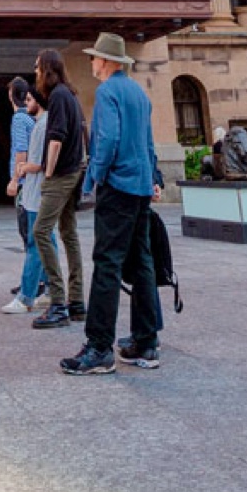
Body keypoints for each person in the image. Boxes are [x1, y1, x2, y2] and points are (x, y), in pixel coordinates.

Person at [60, 32, 162, 376]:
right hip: (140, 187)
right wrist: (154, 179)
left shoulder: (107, 92)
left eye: (94, 57)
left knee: (107, 264)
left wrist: (93, 179)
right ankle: (146, 342)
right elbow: (148, 142)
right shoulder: (138, 92)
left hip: (117, 187)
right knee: (142, 262)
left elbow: (108, 139)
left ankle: (99, 348)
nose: (91, 62)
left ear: (106, 62)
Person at [30, 47, 87, 330]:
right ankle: (76, 301)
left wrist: (48, 172)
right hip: (74, 171)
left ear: (48, 69)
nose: (36, 72)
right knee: (68, 232)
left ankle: (58, 302)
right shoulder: (70, 95)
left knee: (41, 231)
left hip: (62, 173)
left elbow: (56, 139)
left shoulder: (60, 96)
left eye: (38, 67)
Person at [3, 85, 58, 315]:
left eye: (30, 99)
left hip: (34, 190)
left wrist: (17, 177)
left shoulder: (27, 121)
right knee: (46, 239)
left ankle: (27, 295)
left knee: (35, 240)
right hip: (40, 188)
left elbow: (27, 156)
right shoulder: (40, 123)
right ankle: (51, 289)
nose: (26, 103)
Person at [5, 76, 38, 296]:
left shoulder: (19, 119)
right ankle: (34, 279)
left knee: (28, 234)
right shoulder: (33, 118)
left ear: (11, 96)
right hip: (34, 183)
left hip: (25, 184)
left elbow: (21, 151)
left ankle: (33, 283)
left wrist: (15, 180)